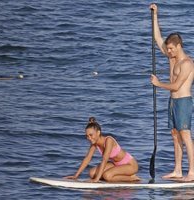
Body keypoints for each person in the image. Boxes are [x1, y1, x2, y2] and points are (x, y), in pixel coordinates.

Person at [150, 4, 194, 182]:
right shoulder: (172, 57)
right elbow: (157, 37)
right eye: (167, 49)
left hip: (183, 101)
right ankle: (177, 170)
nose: (167, 52)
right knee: (175, 135)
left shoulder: (187, 63)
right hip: (172, 102)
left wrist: (158, 83)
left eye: (171, 49)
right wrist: (155, 15)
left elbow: (176, 86)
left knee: (185, 135)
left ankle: (192, 172)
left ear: (179, 46)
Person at [65, 117, 140, 182]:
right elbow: (87, 158)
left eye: (91, 135)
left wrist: (97, 179)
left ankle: (131, 178)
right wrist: (76, 175)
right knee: (92, 173)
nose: (89, 138)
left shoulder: (109, 140)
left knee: (107, 176)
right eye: (87, 136)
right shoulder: (94, 143)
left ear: (98, 132)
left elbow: (104, 160)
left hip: (130, 165)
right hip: (116, 164)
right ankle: (114, 176)